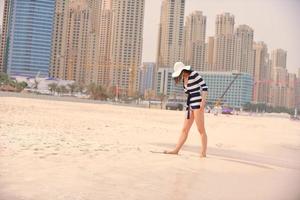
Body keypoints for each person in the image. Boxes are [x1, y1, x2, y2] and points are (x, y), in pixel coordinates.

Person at [164, 62, 208, 157]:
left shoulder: (194, 74)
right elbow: (189, 93)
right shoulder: (184, 79)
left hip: (197, 104)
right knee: (184, 129)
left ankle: (203, 153)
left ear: (184, 69)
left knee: (201, 130)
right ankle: (176, 150)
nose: (181, 74)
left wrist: (202, 103)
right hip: (189, 105)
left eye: (181, 72)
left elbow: (204, 87)